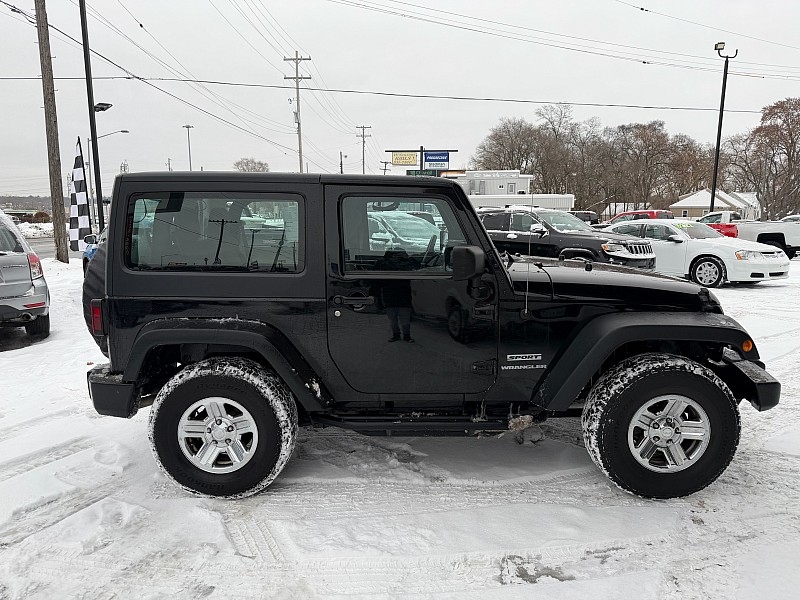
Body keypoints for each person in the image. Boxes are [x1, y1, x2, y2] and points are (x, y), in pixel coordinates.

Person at [375, 250, 414, 342]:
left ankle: (398, 335)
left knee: (395, 320)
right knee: (403, 320)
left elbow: (377, 282)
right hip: (403, 296)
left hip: (391, 296)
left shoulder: (383, 265)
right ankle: (405, 336)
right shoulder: (405, 265)